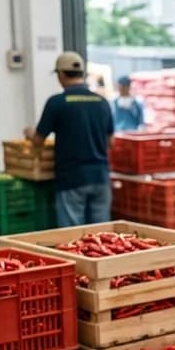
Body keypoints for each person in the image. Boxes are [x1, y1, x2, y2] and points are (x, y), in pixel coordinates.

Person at [25, 52, 113, 226]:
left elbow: (38, 141)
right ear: (82, 74)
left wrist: (28, 133)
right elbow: (111, 142)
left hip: (72, 179)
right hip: (101, 178)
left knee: (73, 240)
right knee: (103, 237)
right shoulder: (102, 102)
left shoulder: (57, 102)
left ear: (61, 74)